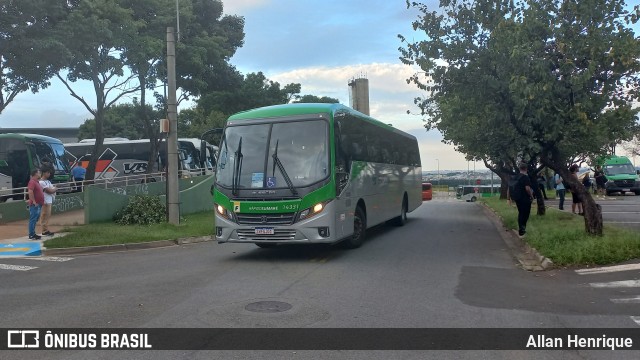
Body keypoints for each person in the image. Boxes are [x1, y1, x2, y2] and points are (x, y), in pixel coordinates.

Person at [508, 163, 534, 237]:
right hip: (525, 198)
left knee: (521, 213)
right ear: (526, 169)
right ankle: (522, 230)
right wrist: (531, 196)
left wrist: (508, 198)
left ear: (519, 169)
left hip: (517, 198)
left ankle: (521, 229)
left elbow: (510, 187)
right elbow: (527, 188)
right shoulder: (525, 177)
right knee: (526, 214)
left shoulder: (516, 177)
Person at [39, 167, 57, 236]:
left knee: (47, 215)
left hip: (49, 200)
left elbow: (52, 189)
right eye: (48, 173)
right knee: (44, 215)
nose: (49, 174)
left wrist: (53, 189)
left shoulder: (48, 181)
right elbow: (49, 191)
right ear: (44, 173)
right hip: (45, 201)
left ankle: (46, 229)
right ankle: (44, 230)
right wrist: (55, 189)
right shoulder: (41, 182)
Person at [26, 168, 44, 240]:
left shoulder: (37, 182)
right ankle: (31, 234)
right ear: (36, 174)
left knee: (35, 218)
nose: (40, 174)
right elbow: (30, 191)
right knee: (33, 219)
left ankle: (33, 233)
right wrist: (33, 201)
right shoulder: (32, 182)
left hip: (38, 203)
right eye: (39, 172)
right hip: (35, 204)